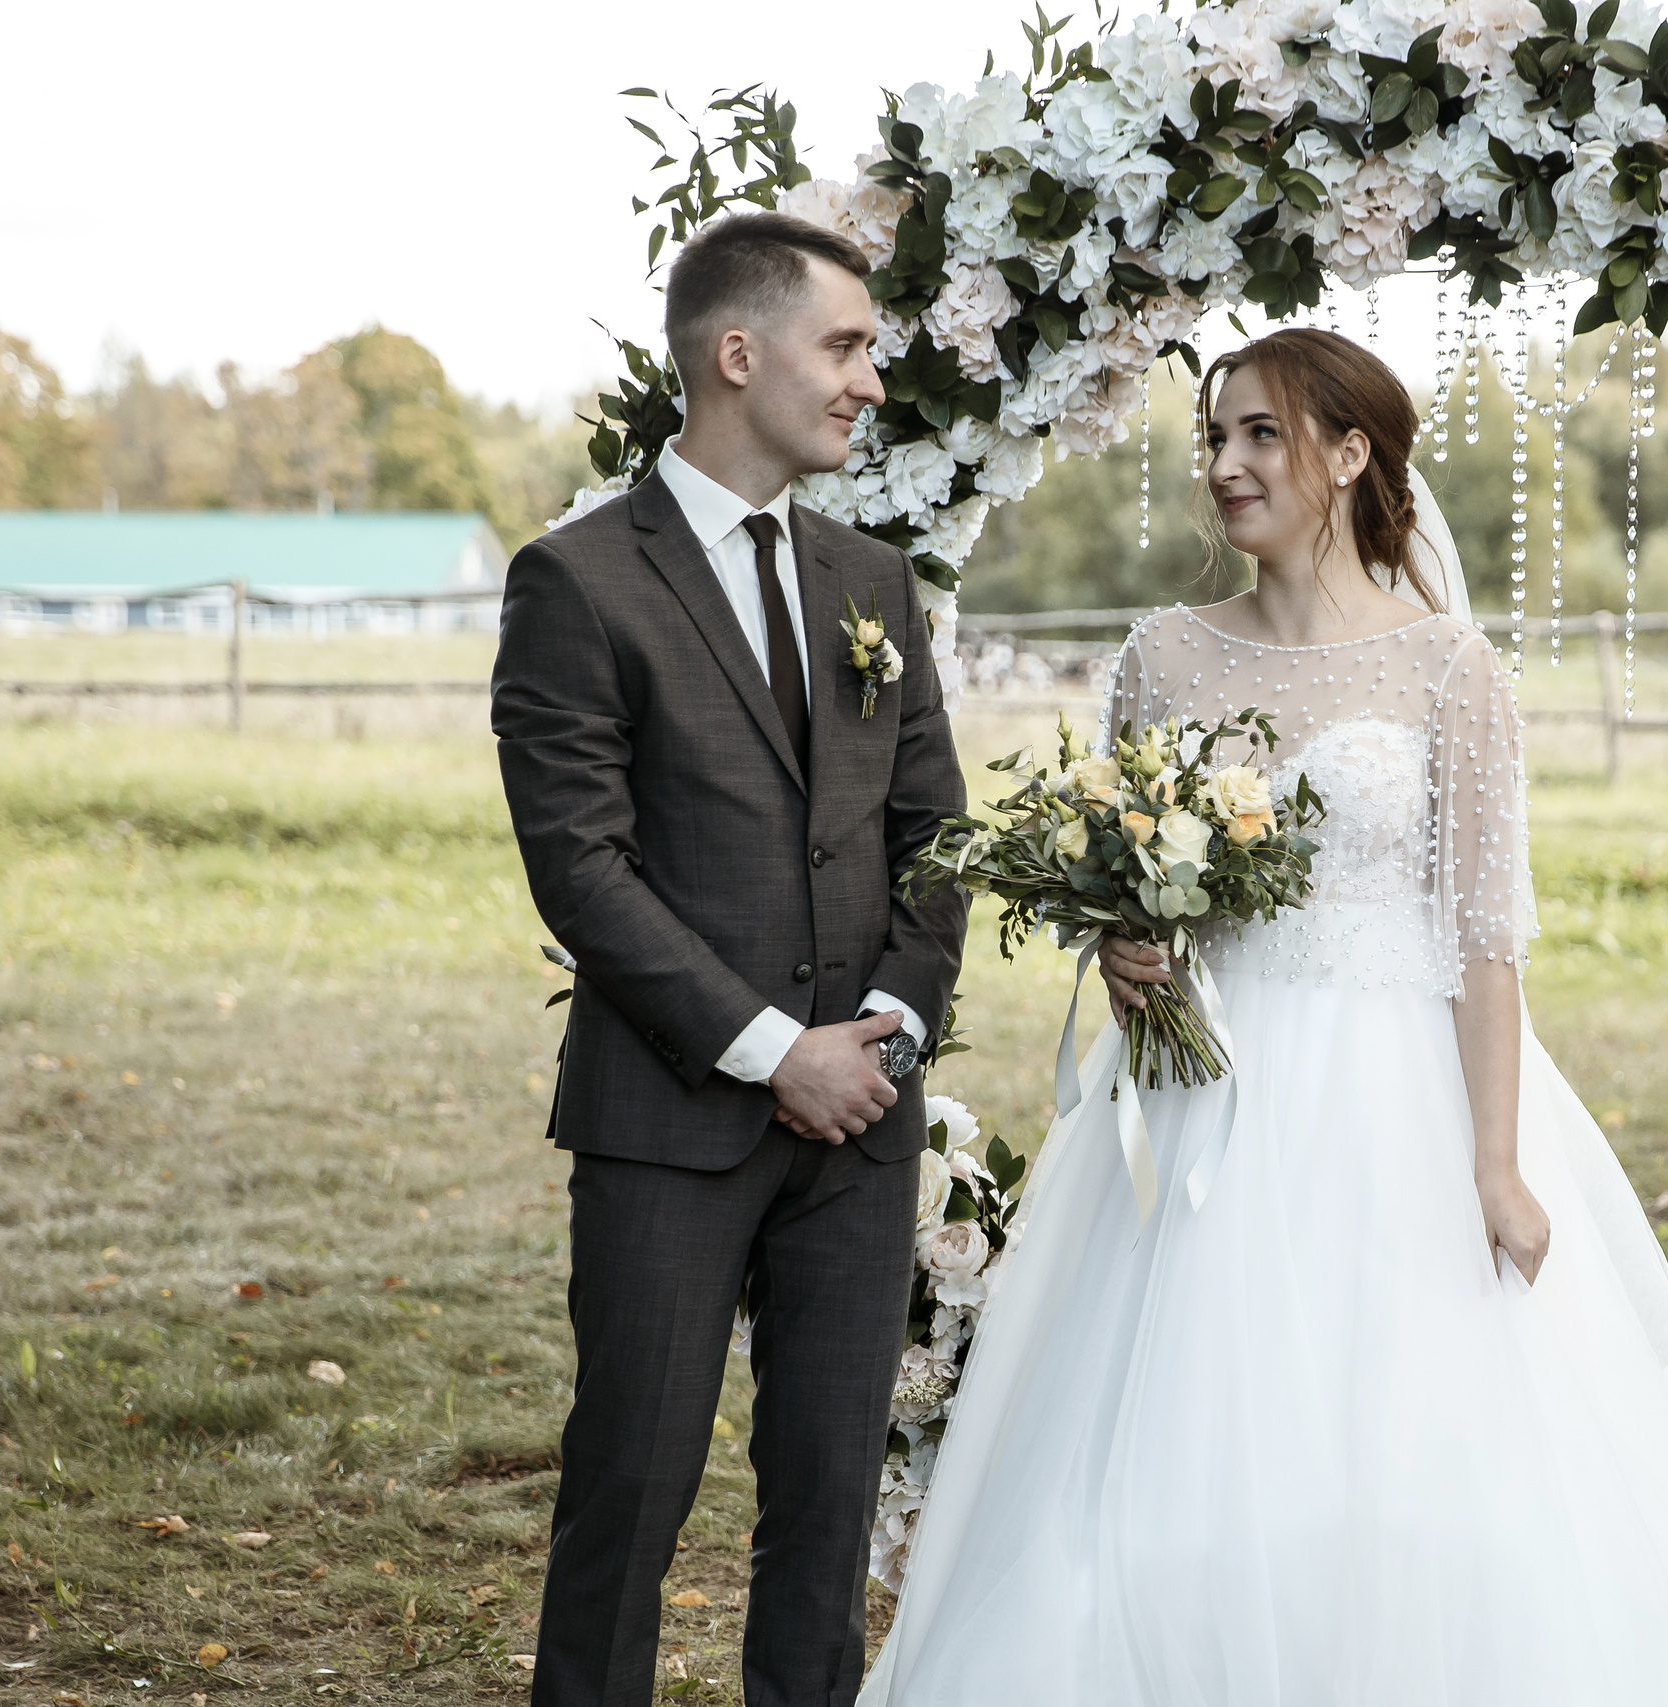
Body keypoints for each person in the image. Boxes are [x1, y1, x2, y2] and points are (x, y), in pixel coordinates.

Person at [856, 328, 1668, 1706]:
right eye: (1216, 438)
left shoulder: (1448, 669)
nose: (1227, 467)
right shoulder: (1161, 658)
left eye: (1261, 436)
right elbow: (1134, 885)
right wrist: (1125, 943)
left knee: (1417, 1448)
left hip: (1397, 1100)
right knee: (1168, 1463)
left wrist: (1495, 1165)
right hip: (1202, 1114)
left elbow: (1484, 941)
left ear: (1350, 454)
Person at [492, 210, 970, 1707]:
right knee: (629, 1497)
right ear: (737, 353)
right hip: (671, 1126)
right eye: (845, 348)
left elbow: (935, 838)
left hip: (862, 1128)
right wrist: (777, 1052)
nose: (868, 385)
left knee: (828, 1512)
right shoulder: (576, 584)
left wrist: (883, 1028)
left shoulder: (874, 584)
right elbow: (584, 868)